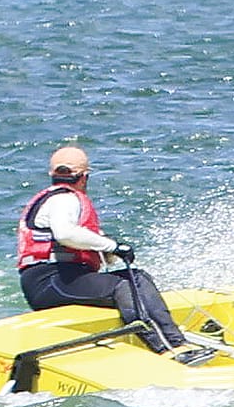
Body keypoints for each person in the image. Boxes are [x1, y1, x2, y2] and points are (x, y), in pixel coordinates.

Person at [17, 144, 210, 361]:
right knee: (125, 286)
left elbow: (77, 241)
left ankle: (175, 341)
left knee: (138, 277)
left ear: (52, 175)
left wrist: (107, 252)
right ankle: (168, 348)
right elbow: (65, 234)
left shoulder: (57, 200)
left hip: (58, 279)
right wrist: (113, 247)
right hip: (50, 281)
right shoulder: (64, 199)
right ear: (85, 177)